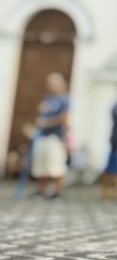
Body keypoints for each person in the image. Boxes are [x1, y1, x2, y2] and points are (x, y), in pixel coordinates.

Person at [32, 72, 71, 200]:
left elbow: (64, 118)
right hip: (42, 136)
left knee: (55, 166)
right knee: (41, 166)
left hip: (56, 136)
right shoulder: (47, 98)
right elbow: (42, 113)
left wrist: (46, 123)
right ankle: (41, 191)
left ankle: (57, 192)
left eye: (53, 83)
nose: (50, 85)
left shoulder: (65, 99)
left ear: (61, 84)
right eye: (49, 83)